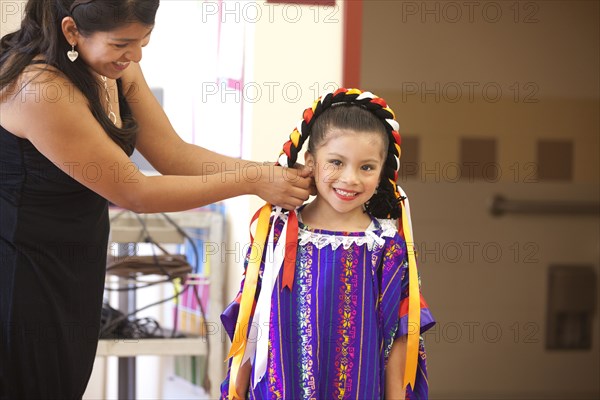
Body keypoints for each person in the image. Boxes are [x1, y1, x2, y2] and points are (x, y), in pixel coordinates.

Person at [0, 0, 312, 398]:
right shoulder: (40, 90)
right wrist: (253, 181)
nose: (135, 55)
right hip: (23, 277)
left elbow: (173, 155)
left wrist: (269, 171)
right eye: (122, 44)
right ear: (72, 32)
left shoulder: (115, 68)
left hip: (72, 270)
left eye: (145, 40)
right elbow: (135, 191)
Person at [220, 88, 436, 399]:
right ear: (310, 161)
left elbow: (400, 335)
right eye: (336, 162)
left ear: (382, 171)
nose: (350, 179)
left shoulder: (386, 244)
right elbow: (250, 322)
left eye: (367, 167)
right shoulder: (277, 233)